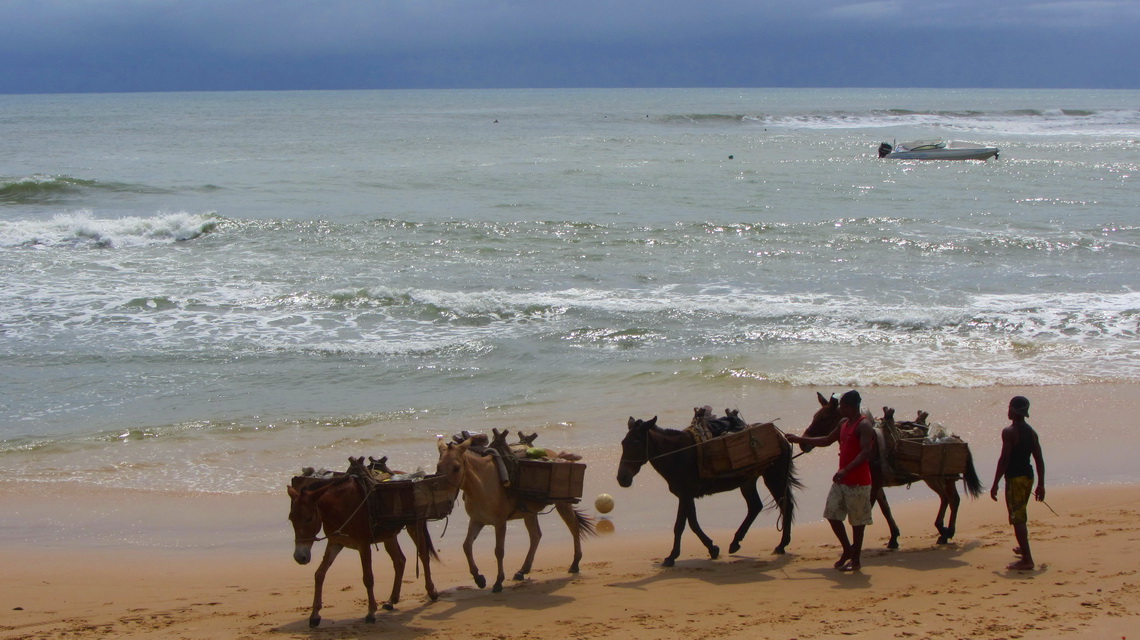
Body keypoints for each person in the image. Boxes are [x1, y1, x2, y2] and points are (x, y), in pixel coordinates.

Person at [787, 389, 875, 571]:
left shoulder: (864, 425)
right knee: (832, 514)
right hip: (842, 480)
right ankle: (847, 550)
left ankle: (856, 560)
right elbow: (827, 440)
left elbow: (865, 452)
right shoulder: (843, 423)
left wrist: (846, 469)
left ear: (852, 406)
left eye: (844, 406)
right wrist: (799, 439)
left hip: (858, 480)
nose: (841, 409)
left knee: (857, 523)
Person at [990, 395, 1045, 571]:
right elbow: (1039, 460)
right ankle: (1023, 548)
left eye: (1009, 408)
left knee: (1017, 518)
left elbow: (1004, 459)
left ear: (1013, 411)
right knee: (1020, 512)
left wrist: (995, 483)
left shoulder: (1009, 432)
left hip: (1015, 479)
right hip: (1028, 478)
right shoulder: (1031, 432)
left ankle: (1027, 560)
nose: (1008, 411)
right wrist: (1041, 484)